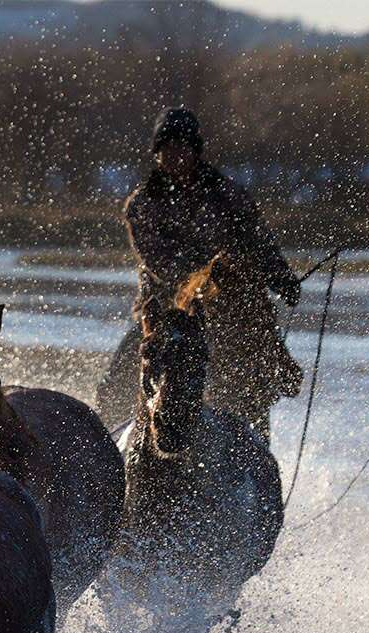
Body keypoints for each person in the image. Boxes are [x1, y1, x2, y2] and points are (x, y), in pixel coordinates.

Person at [118, 107, 304, 439]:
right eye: (168, 149)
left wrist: (280, 275)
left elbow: (257, 240)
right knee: (117, 382)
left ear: (195, 151)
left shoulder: (228, 196)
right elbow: (160, 264)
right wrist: (206, 275)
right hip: (165, 314)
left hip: (233, 311)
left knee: (249, 390)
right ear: (157, 154)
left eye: (182, 147)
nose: (176, 156)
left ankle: (254, 452)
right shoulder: (143, 204)